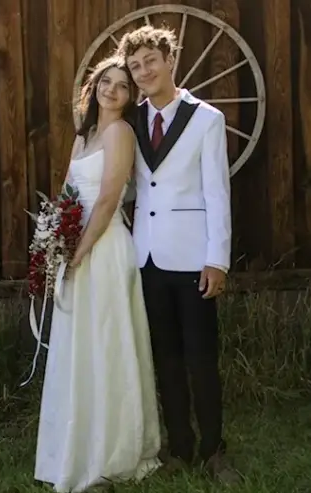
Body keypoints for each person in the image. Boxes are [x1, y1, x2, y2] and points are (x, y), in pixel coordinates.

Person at [116, 26, 240, 483]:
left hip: (193, 259)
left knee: (201, 357)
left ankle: (214, 450)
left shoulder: (205, 118)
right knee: (164, 357)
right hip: (145, 257)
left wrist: (218, 259)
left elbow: (217, 193)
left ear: (169, 59)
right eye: (135, 66)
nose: (144, 71)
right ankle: (180, 447)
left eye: (151, 60)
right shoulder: (131, 120)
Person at [34, 55, 161, 493]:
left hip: (103, 250)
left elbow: (108, 200)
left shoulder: (120, 132)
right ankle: (76, 442)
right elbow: (69, 194)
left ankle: (112, 451)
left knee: (107, 340)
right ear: (95, 88)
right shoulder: (84, 135)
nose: (112, 89)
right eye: (106, 82)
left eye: (122, 85)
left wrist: (80, 252)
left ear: (130, 98)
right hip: (76, 249)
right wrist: (54, 242)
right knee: (79, 345)